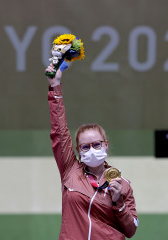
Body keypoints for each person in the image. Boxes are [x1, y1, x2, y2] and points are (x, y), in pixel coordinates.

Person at [45, 63, 139, 240]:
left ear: (106, 144)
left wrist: (118, 201)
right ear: (78, 150)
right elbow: (59, 131)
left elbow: (131, 229)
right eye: (85, 147)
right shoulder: (70, 171)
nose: (92, 150)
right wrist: (55, 86)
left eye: (96, 144)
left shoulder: (122, 184)